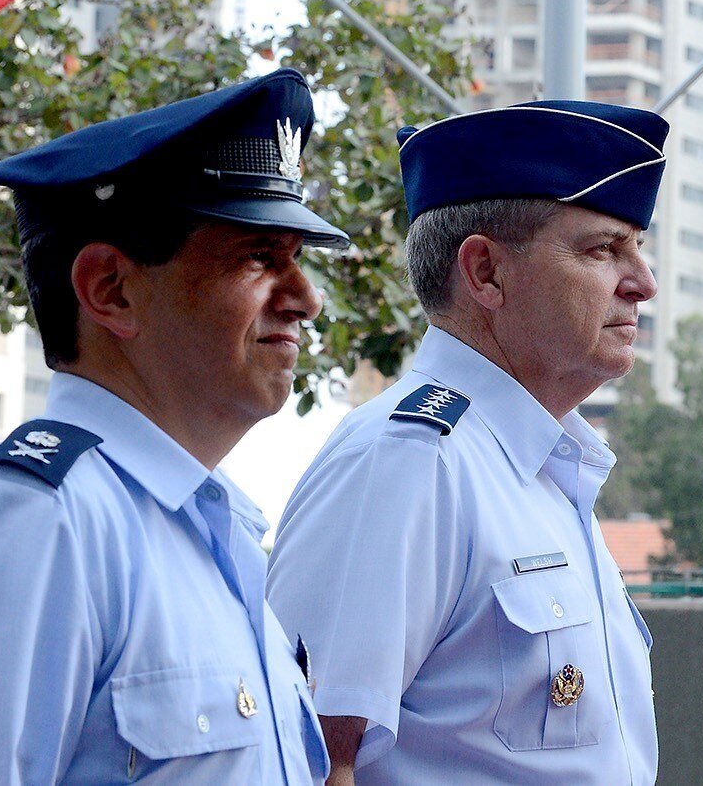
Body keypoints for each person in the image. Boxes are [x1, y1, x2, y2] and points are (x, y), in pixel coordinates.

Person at [0, 69, 345, 785]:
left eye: (297, 261)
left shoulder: (211, 532)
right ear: (111, 289)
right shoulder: (31, 527)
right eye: (260, 256)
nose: (306, 299)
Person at [267, 99, 666, 785]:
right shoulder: (409, 462)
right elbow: (311, 760)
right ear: (484, 272)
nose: (644, 283)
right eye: (603, 249)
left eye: (637, 246)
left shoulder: (545, 469)